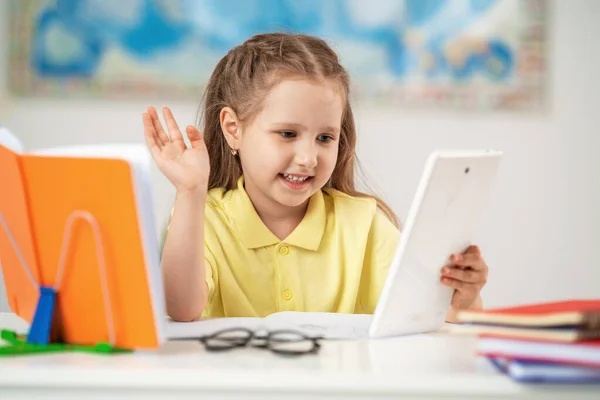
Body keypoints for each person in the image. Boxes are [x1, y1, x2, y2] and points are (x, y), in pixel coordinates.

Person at [142, 33, 488, 322]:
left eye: (325, 138)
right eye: (288, 134)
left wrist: (464, 298)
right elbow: (182, 308)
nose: (308, 158)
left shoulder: (363, 224)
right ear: (234, 129)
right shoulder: (204, 219)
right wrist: (190, 190)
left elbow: (429, 320)